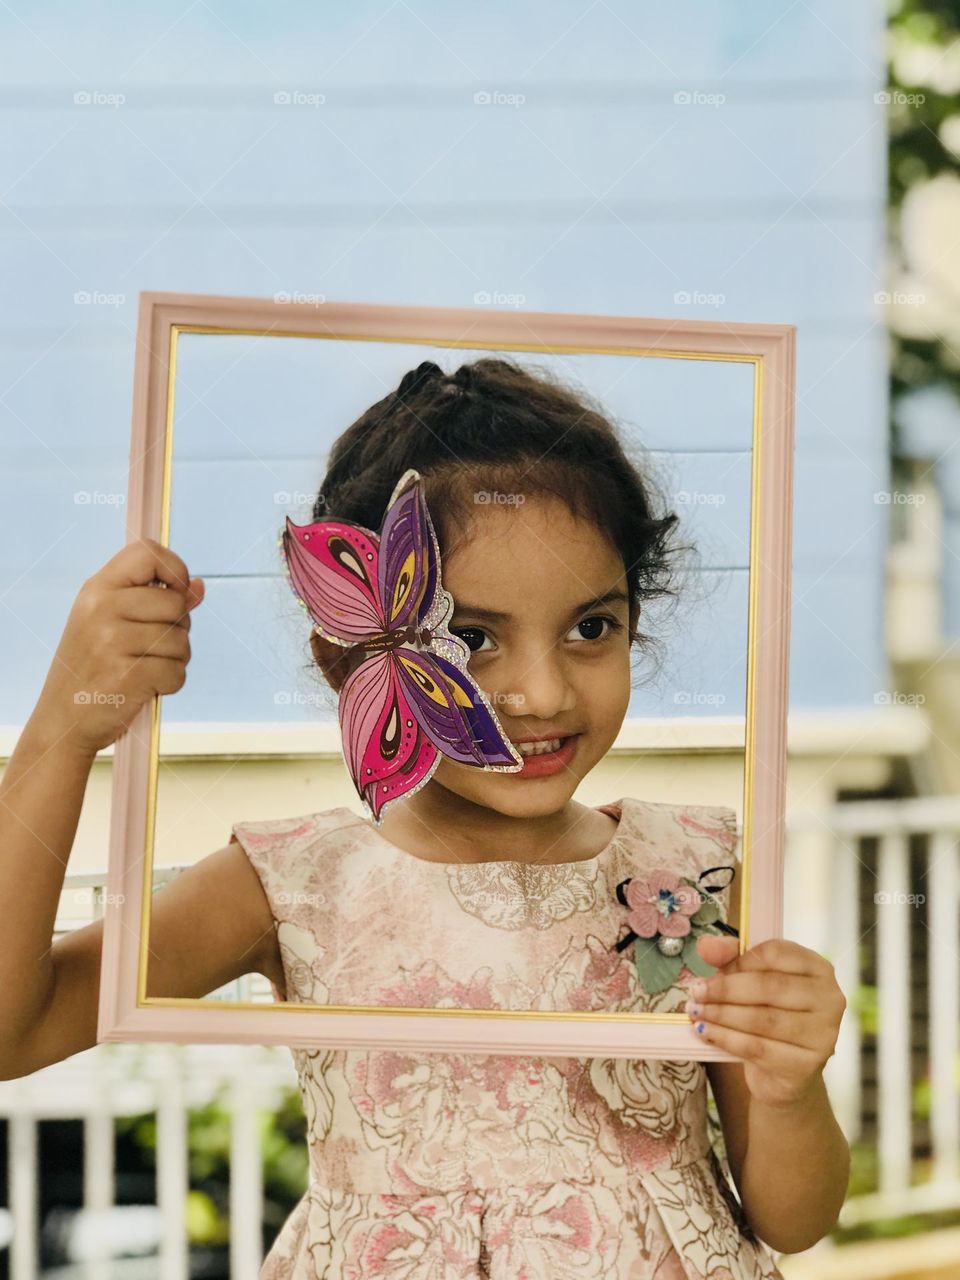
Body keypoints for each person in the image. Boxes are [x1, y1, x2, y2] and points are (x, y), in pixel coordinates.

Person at [0, 356, 849, 1277]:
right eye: (473, 639)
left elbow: (793, 1219)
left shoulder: (689, 870)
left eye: (591, 627)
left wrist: (790, 1087)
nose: (541, 691)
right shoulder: (296, 884)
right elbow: (16, 1029)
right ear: (348, 658)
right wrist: (62, 731)